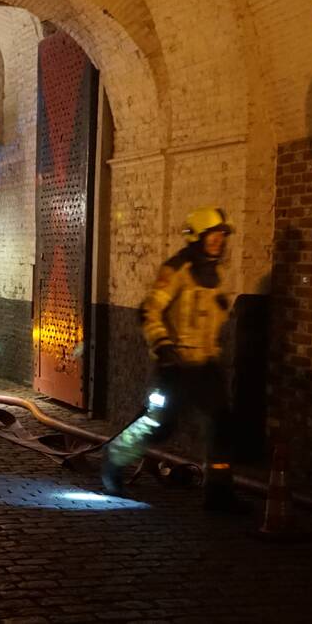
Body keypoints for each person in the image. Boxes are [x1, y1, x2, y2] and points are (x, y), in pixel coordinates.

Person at [101, 206, 249, 513]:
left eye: (222, 236)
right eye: (212, 236)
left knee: (222, 425)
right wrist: (164, 345)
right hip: (175, 365)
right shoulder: (176, 270)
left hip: (205, 364)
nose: (218, 242)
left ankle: (218, 494)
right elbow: (150, 310)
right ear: (197, 238)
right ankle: (115, 459)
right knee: (159, 425)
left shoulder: (217, 273)